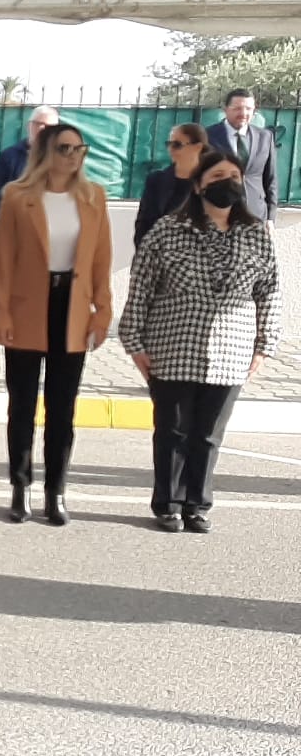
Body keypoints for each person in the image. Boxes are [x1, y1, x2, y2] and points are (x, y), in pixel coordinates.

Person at [121, 152, 282, 534]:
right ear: (198, 185)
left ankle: (197, 504)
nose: (228, 182)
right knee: (173, 431)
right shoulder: (167, 230)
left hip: (232, 350)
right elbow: (141, 287)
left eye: (234, 176)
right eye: (218, 175)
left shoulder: (256, 233)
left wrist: (264, 344)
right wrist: (134, 342)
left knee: (209, 435)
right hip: (173, 345)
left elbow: (270, 291)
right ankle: (168, 504)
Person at [0, 122, 112, 527]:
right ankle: (20, 486)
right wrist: (0, 314)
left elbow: (101, 260)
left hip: (71, 308)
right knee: (22, 405)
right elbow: (4, 262)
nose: (73, 156)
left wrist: (102, 310)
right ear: (45, 152)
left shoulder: (93, 196)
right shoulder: (17, 196)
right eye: (64, 148)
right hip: (27, 308)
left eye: (79, 148)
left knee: (62, 407)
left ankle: (55, 491)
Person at [203, 89, 282, 220]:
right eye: (237, 108)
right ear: (225, 109)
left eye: (248, 109)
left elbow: (271, 179)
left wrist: (271, 217)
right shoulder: (207, 137)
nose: (243, 113)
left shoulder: (265, 137)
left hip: (256, 214)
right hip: (218, 216)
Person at [0, 105, 59, 235]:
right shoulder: (9, 157)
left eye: (48, 126)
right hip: (15, 229)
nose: (42, 128)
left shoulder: (62, 159)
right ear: (28, 126)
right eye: (37, 124)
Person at [134, 124, 213, 246]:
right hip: (158, 251)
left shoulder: (210, 182)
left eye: (177, 145)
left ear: (197, 147)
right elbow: (143, 224)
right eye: (169, 144)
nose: (171, 149)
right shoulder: (156, 180)